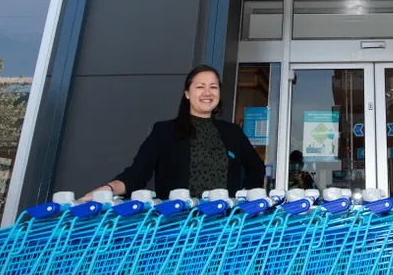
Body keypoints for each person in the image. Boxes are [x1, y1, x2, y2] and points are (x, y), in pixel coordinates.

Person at [82, 65, 265, 201]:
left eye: (213, 87)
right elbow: (137, 174)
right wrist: (108, 189)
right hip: (177, 228)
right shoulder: (165, 131)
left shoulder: (232, 132)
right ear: (187, 93)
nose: (207, 93)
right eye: (200, 87)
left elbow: (256, 168)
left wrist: (243, 200)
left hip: (223, 226)